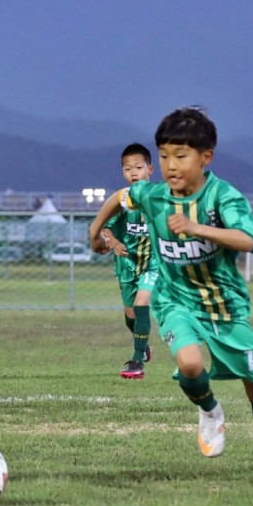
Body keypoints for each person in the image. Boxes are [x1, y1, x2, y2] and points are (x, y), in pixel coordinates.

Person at [89, 107, 253, 485]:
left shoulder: (223, 196)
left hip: (224, 304)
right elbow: (121, 196)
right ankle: (210, 410)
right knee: (189, 364)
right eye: (165, 155)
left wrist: (198, 228)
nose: (170, 165)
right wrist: (95, 231)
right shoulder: (151, 195)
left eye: (180, 156)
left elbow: (251, 240)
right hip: (175, 299)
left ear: (205, 157)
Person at [96, 143, 158, 379]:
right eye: (128, 169)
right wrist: (113, 241)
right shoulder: (121, 202)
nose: (133, 173)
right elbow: (105, 229)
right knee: (130, 317)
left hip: (153, 264)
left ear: (150, 169)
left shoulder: (160, 199)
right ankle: (143, 345)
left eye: (139, 167)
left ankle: (137, 361)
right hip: (127, 265)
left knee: (142, 305)